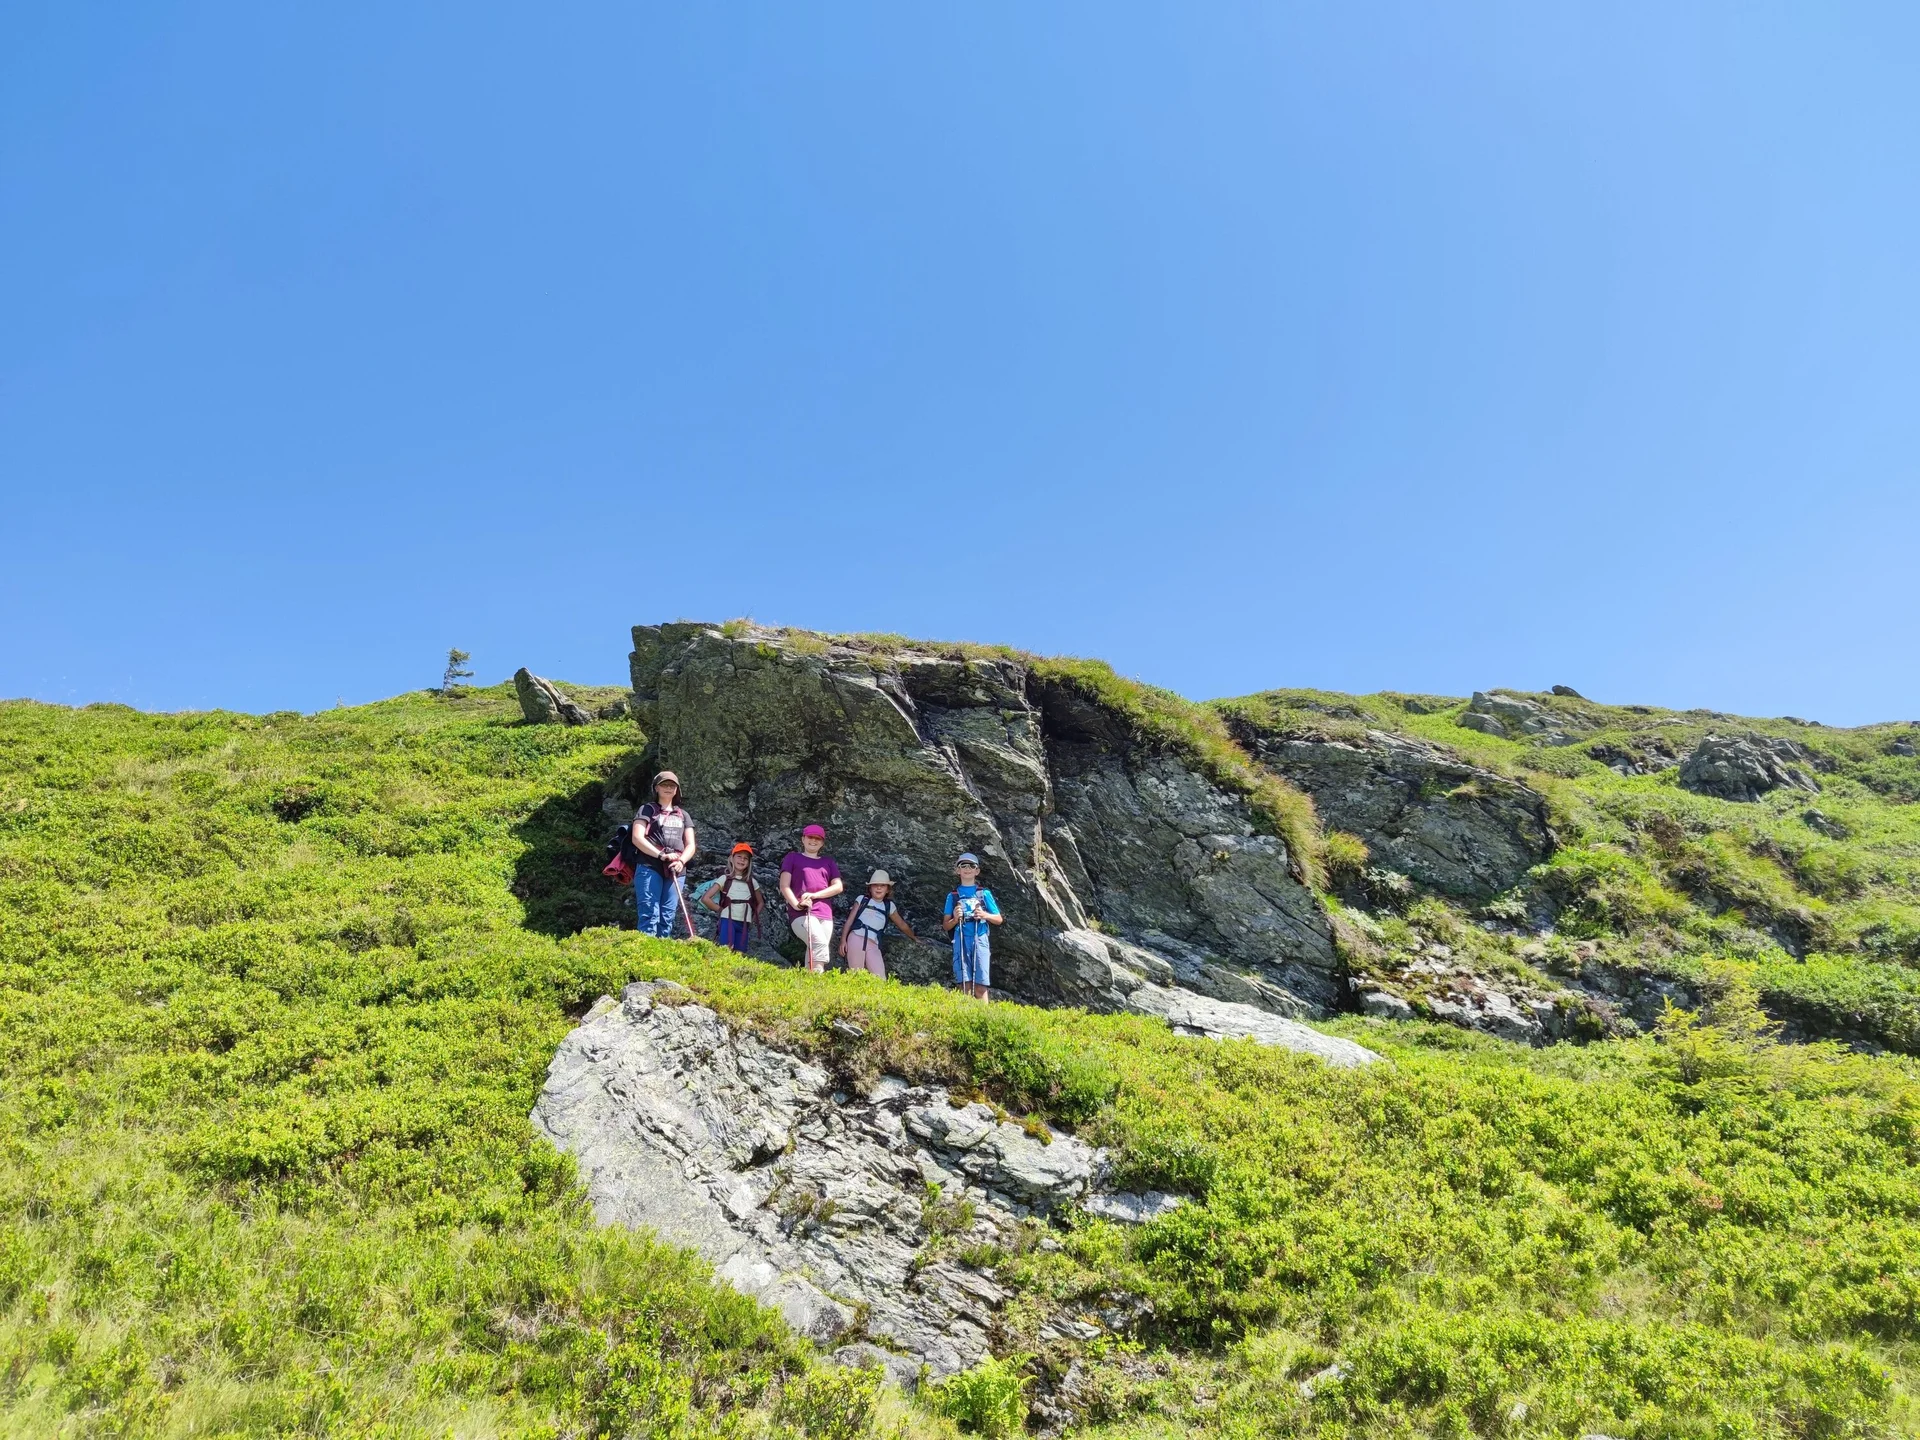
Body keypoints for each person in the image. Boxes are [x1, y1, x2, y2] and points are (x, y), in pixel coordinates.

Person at [632, 771, 697, 938]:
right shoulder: (647, 809)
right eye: (664, 785)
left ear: (677, 790)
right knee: (649, 914)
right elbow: (637, 837)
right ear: (656, 788)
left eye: (672, 785)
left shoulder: (684, 815)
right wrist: (660, 855)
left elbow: (691, 845)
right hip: (649, 865)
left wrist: (681, 861)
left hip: (676, 869)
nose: (668, 788)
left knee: (667, 916)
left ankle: (661, 957)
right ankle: (647, 956)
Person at [778, 824, 844, 973]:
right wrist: (796, 904)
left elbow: (838, 886)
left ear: (822, 843)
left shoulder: (828, 862)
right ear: (803, 839)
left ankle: (809, 985)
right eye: (810, 837)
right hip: (802, 913)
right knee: (819, 943)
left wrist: (814, 895)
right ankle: (818, 983)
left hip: (825, 914)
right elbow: (784, 885)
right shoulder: (792, 858)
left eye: (817, 838)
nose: (813, 841)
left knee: (814, 948)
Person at [942, 853, 1001, 1001]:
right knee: (964, 985)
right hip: (960, 940)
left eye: (971, 866)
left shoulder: (984, 894)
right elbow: (945, 925)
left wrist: (984, 915)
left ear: (977, 871)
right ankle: (965, 1018)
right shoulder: (953, 896)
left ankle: (983, 1019)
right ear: (958, 870)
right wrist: (955, 919)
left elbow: (998, 919)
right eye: (963, 865)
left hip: (980, 940)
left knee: (980, 986)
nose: (967, 869)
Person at [838, 870, 916, 978]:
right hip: (856, 937)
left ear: (888, 889)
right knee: (855, 974)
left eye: (882, 885)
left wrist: (914, 937)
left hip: (874, 942)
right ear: (870, 888)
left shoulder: (889, 906)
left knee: (880, 977)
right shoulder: (862, 900)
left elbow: (902, 924)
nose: (878, 888)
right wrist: (843, 941)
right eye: (875, 885)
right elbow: (850, 921)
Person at [700, 842, 763, 953]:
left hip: (744, 922)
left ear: (749, 863)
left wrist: (752, 919)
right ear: (731, 858)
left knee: (740, 954)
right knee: (726, 951)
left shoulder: (752, 882)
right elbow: (705, 898)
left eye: (746, 858)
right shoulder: (724, 879)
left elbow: (761, 903)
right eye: (739, 856)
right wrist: (720, 910)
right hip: (727, 920)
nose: (742, 860)